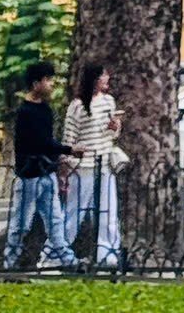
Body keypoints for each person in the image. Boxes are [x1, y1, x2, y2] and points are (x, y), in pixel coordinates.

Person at [4, 60, 76, 271]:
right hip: (29, 174)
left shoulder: (45, 110)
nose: (51, 84)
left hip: (47, 172)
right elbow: (40, 142)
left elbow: (47, 140)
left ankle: (66, 258)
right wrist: (68, 150)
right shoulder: (25, 112)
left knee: (55, 219)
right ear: (36, 84)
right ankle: (10, 262)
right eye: (47, 80)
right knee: (21, 223)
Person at [64, 59, 124, 269]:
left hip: (105, 162)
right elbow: (69, 137)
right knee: (75, 211)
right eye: (103, 75)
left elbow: (112, 134)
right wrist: (68, 164)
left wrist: (114, 127)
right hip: (84, 166)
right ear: (95, 78)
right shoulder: (78, 106)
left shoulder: (109, 101)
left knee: (108, 211)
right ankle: (57, 251)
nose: (107, 79)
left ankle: (107, 254)